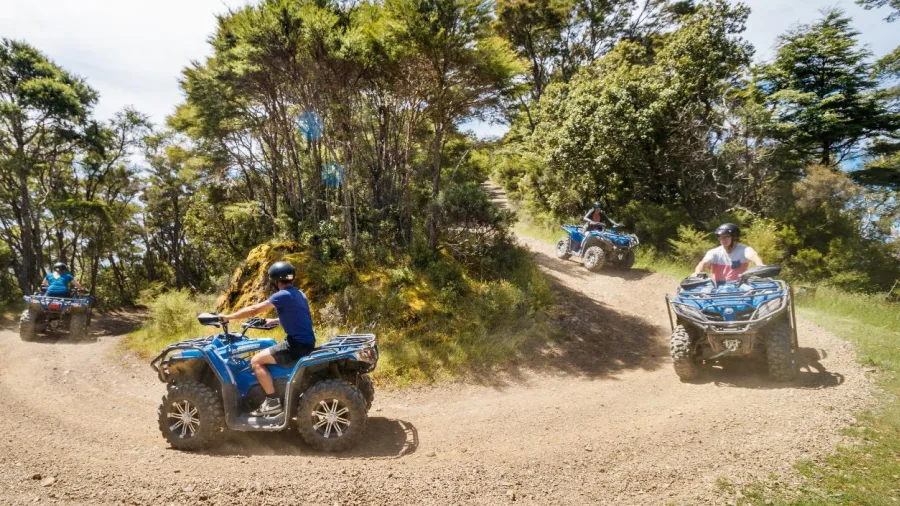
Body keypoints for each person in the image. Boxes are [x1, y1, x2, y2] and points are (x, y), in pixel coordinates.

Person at [220, 261, 316, 416]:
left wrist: (228, 317)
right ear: (292, 278)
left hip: (296, 345)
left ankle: (272, 401)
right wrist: (275, 321)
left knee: (256, 361)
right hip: (305, 342)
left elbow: (254, 309)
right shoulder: (300, 294)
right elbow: (300, 316)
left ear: (275, 281)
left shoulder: (282, 295)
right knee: (269, 349)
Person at [692, 223, 765, 282]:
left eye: (726, 237)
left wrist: (760, 265)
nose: (723, 240)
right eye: (720, 237)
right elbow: (703, 263)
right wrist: (697, 272)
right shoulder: (714, 252)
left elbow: (754, 256)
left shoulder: (745, 250)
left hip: (739, 285)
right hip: (717, 286)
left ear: (734, 237)